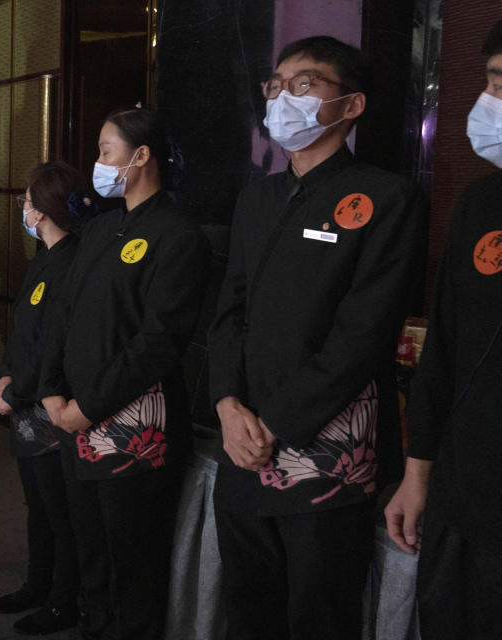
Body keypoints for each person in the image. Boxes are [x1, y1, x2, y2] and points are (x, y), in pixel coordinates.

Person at [208, 36, 425, 639]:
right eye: (276, 84)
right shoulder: (258, 196)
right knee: (249, 604)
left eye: (305, 83)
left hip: (326, 451)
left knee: (318, 612)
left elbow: (364, 333)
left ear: (351, 105)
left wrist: (273, 424)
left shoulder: (388, 196)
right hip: (240, 440)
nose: (283, 97)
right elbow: (228, 309)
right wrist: (227, 404)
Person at [39, 109, 209, 640]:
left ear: (141, 157)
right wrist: (49, 391)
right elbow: (62, 314)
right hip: (72, 421)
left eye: (106, 151)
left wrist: (86, 406)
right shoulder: (101, 229)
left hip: (135, 429)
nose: (97, 163)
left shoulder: (179, 235)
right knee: (92, 552)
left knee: (133, 560)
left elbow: (158, 341)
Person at [384, 21, 502, 640]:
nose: (491, 103)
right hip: (460, 496)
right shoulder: (480, 205)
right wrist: (417, 473)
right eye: (491, 81)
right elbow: (445, 351)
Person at [0, 162, 92, 636]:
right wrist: (3, 376)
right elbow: (22, 333)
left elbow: (57, 344)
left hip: (50, 406)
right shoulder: (43, 256)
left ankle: (62, 601)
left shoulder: (74, 261)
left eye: (27, 203)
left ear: (46, 209)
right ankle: (37, 584)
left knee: (60, 511)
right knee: (38, 505)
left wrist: (16, 389)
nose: (24, 211)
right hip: (25, 403)